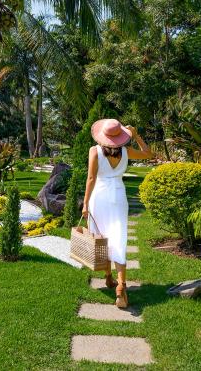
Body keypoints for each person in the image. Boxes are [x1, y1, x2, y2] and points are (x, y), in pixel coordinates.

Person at [82, 119, 153, 308]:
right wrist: (136, 135)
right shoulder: (126, 151)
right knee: (118, 238)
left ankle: (108, 277)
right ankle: (120, 286)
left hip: (99, 197)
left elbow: (91, 178)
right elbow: (148, 153)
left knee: (101, 238)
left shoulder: (94, 150)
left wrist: (85, 202)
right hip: (119, 197)